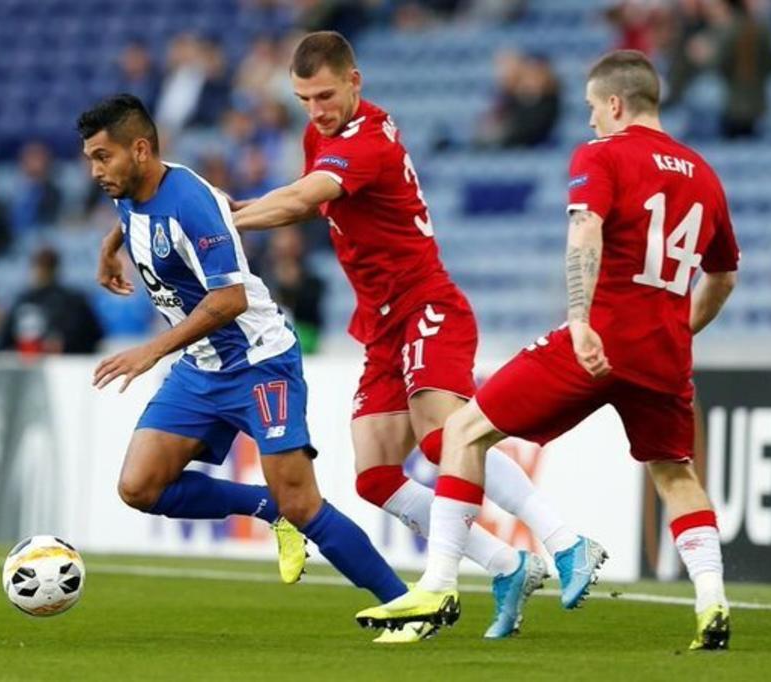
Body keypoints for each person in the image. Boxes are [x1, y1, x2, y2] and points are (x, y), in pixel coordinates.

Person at [358, 49, 740, 652]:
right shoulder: (706, 176)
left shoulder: (602, 154)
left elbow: (586, 228)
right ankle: (713, 602)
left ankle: (438, 581)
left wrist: (581, 319)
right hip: (664, 355)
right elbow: (722, 277)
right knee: (675, 474)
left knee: (463, 432)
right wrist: (680, 330)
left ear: (614, 104)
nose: (589, 120)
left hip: (597, 340)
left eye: (592, 108)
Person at [231, 31, 603, 640]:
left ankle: (565, 541)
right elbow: (306, 197)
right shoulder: (320, 134)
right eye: (303, 100)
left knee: (446, 439)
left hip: (425, 304)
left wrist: (225, 218)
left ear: (355, 81)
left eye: (325, 94)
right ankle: (506, 565)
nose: (316, 110)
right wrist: (238, 210)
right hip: (380, 324)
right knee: (375, 476)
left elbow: (304, 198)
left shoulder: (370, 138)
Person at [77, 94, 417, 643]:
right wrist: (109, 245)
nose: (95, 172)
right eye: (91, 159)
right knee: (139, 487)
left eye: (102, 157)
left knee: (303, 502)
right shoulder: (131, 189)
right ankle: (266, 510)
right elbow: (132, 218)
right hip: (202, 365)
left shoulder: (190, 203)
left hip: (259, 362)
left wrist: (152, 349)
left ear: (140, 150)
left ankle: (404, 603)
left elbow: (231, 298)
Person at [0, 246, 104, 355]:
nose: (41, 272)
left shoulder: (73, 301)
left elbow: (93, 336)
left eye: (45, 267)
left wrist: (66, 345)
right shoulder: (24, 300)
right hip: (29, 363)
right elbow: (2, 341)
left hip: (65, 365)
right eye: (40, 266)